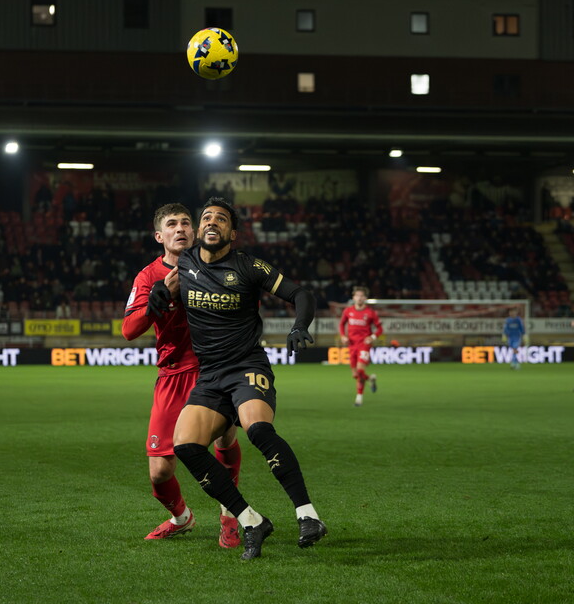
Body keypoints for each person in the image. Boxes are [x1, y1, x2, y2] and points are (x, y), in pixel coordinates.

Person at [150, 196, 326, 560]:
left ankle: (308, 515)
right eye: (206, 217)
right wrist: (158, 292)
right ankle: (250, 520)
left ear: (232, 233)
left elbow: (301, 294)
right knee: (186, 446)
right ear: (199, 229)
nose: (212, 222)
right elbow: (163, 284)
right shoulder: (186, 262)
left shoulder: (248, 266)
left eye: (221, 219)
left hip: (247, 367)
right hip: (210, 376)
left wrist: (299, 326)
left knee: (258, 429)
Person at [122, 203, 243, 548]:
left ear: (195, 231)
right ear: (159, 236)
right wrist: (156, 301)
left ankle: (230, 515)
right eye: (172, 224)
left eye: (186, 223)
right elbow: (129, 329)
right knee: (160, 471)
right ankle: (181, 517)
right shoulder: (148, 276)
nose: (180, 229)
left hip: (215, 369)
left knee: (224, 440)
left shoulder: (217, 265)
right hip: (173, 375)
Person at [338, 286, 383, 406]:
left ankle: (359, 399)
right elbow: (341, 324)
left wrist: (372, 337)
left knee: (360, 370)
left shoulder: (370, 313)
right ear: (353, 297)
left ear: (365, 298)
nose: (359, 298)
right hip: (351, 345)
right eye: (357, 295)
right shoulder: (348, 311)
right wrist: (343, 336)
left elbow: (380, 329)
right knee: (355, 374)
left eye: (362, 296)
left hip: (364, 345)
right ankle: (370, 379)